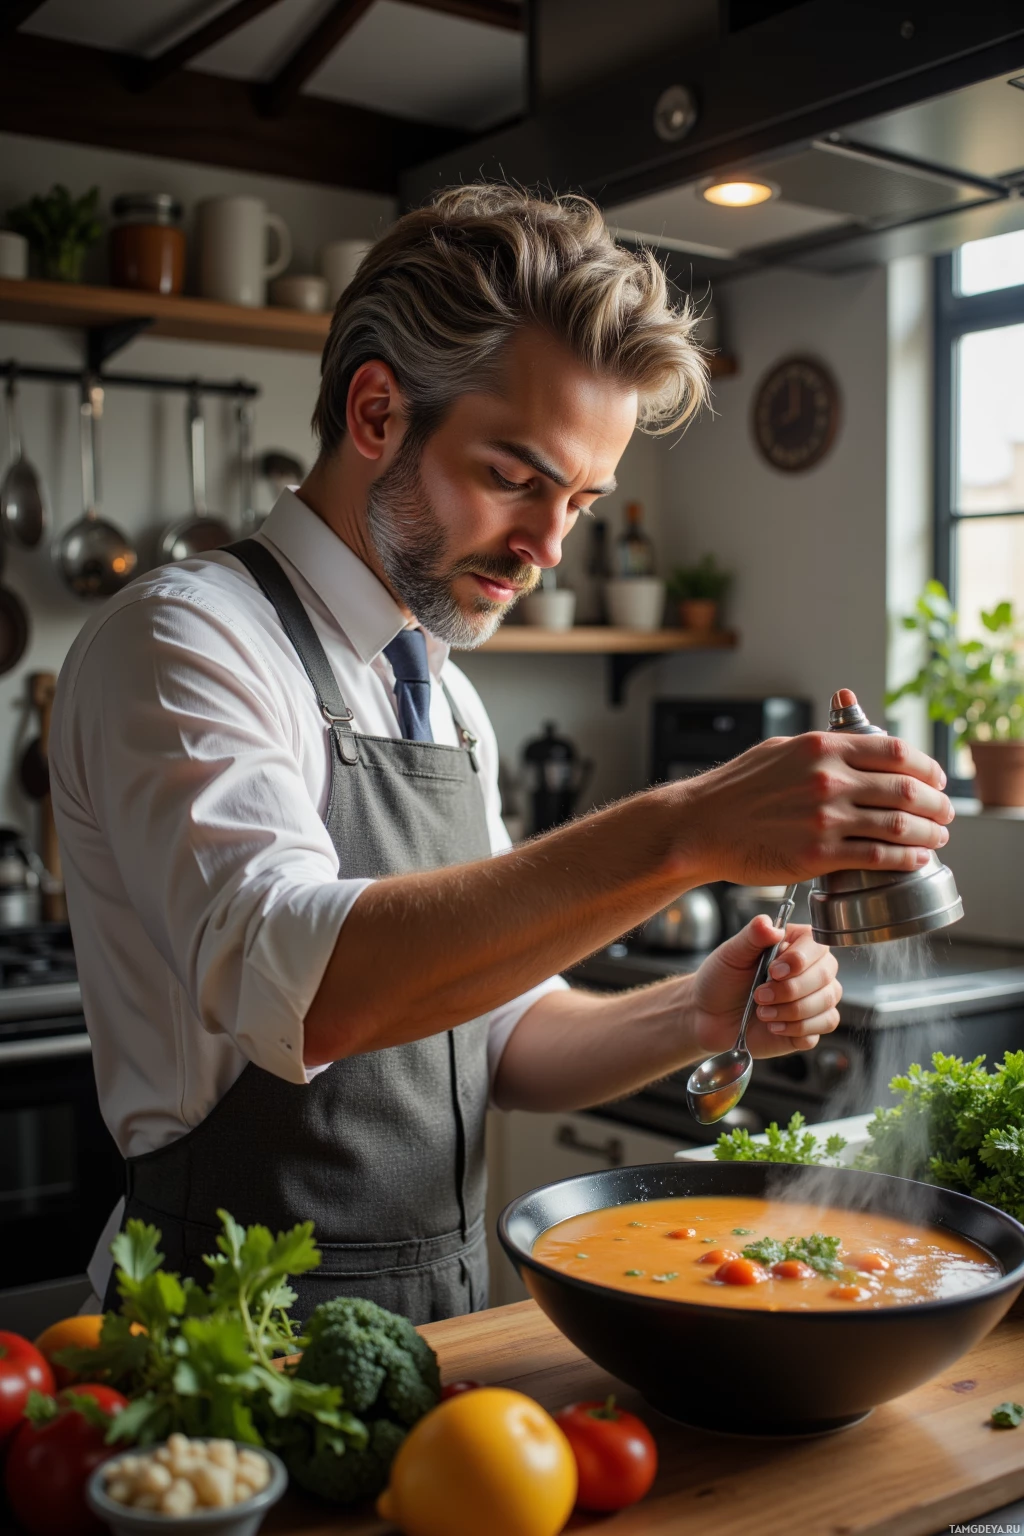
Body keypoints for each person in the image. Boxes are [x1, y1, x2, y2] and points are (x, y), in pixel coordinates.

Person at [51, 184, 953, 1322]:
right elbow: (310, 993)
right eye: (515, 479)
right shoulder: (185, 640)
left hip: (447, 1323)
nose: (546, 549)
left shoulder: (444, 694)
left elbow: (500, 1034)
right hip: (219, 1348)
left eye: (579, 499)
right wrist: (684, 832)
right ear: (376, 412)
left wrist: (692, 1010)